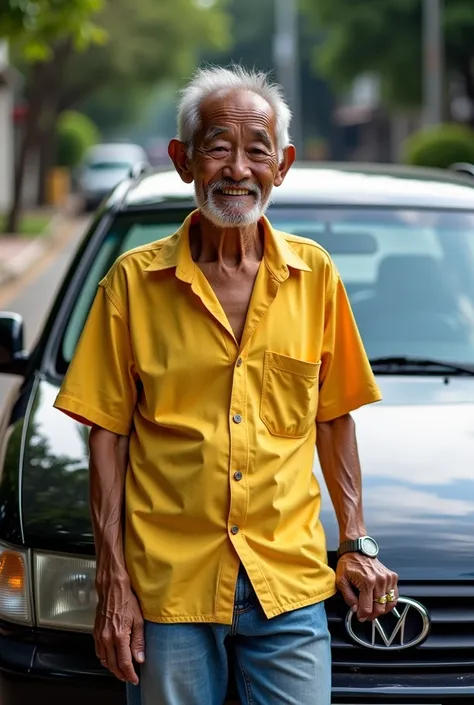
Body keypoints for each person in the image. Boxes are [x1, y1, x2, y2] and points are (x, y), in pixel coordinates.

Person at [54, 65, 398, 705]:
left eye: (257, 150)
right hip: (171, 589)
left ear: (282, 165)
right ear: (184, 161)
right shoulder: (132, 284)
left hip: (287, 583)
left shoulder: (315, 277)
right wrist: (114, 580)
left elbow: (334, 417)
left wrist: (355, 542)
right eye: (218, 147)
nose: (237, 168)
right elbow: (107, 437)